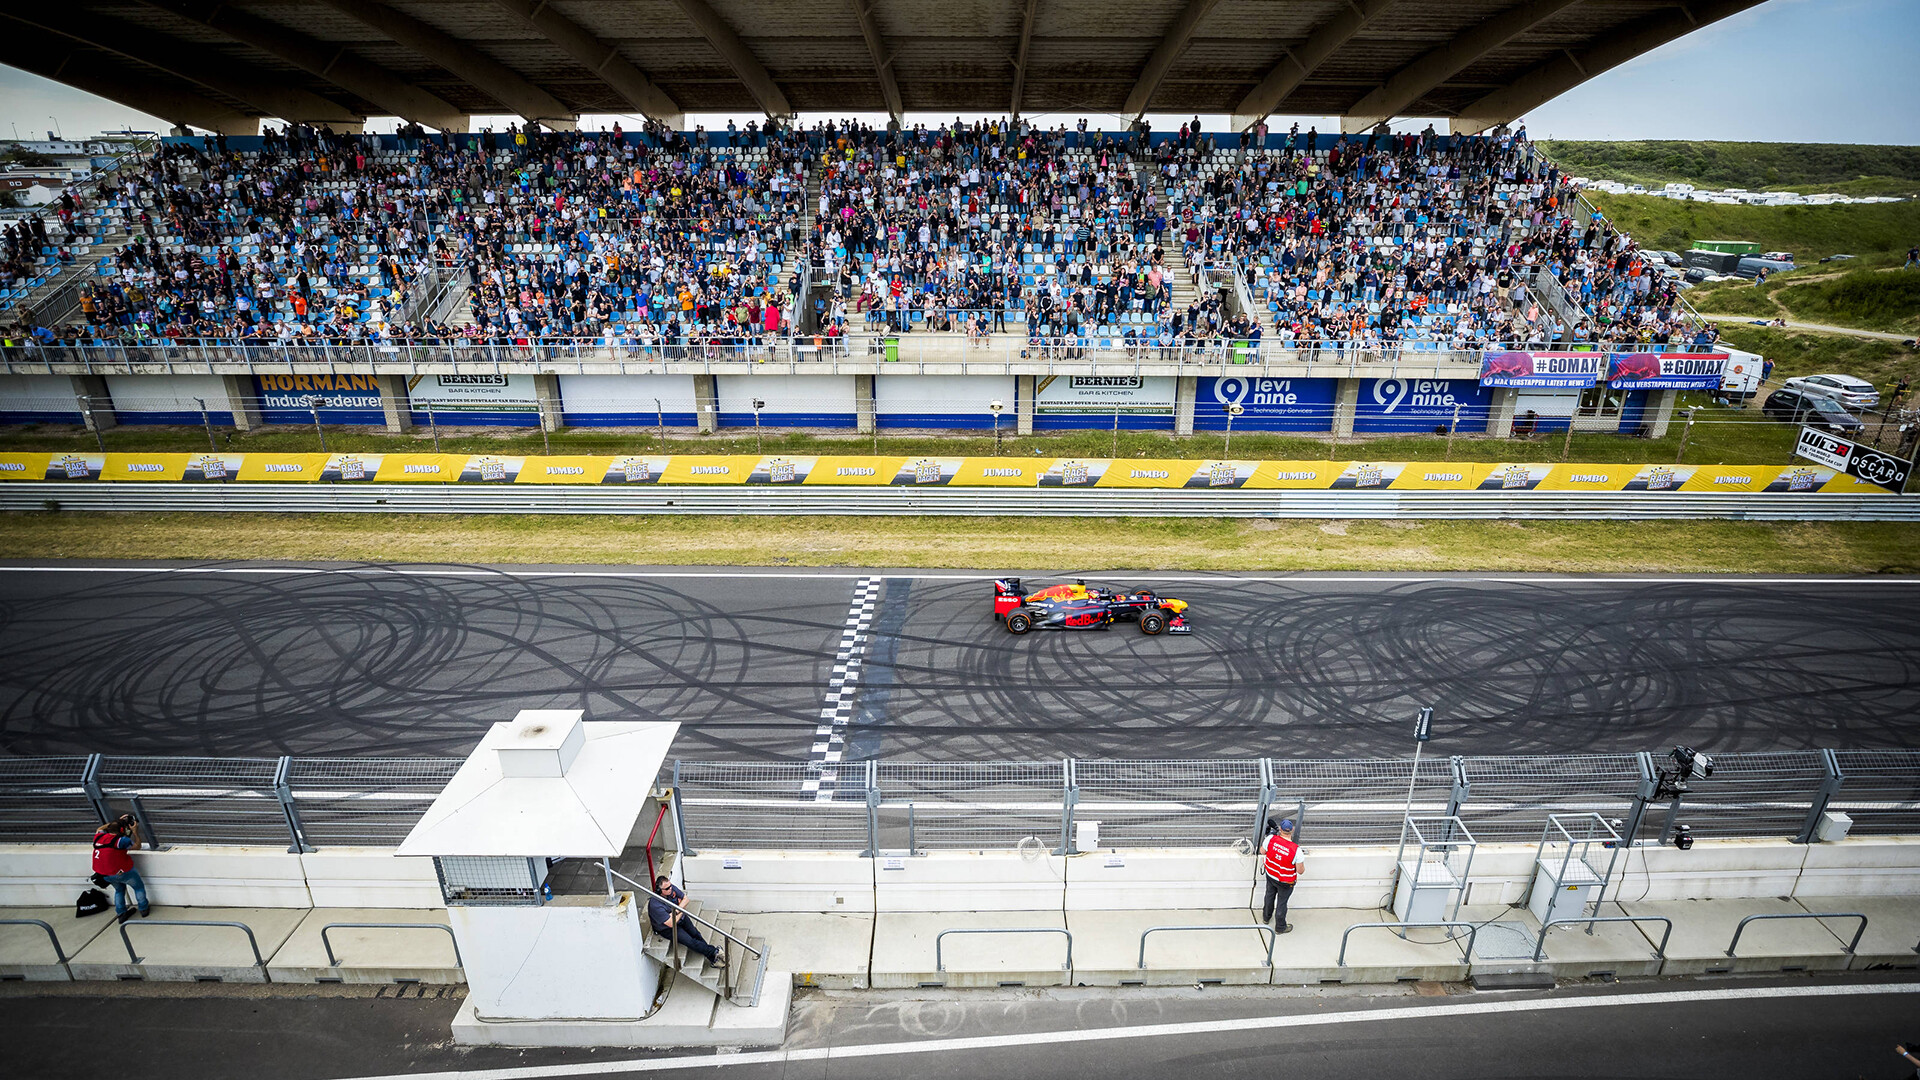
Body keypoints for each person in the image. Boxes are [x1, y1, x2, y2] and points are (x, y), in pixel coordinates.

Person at [648, 875, 725, 968]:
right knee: (691, 942)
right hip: (668, 929)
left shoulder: (671, 889)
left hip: (680, 918)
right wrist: (682, 908)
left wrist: (676, 911)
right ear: (660, 891)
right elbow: (671, 923)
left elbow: (686, 899)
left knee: (696, 934)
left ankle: (712, 957)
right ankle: (714, 951)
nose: (671, 889)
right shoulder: (655, 905)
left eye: (670, 886)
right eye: (667, 888)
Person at [92, 814, 149, 923]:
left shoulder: (98, 837)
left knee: (119, 890)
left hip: (105, 874)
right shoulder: (121, 841)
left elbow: (99, 829)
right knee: (138, 888)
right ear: (122, 830)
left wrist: (116, 822)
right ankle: (143, 909)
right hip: (123, 871)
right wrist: (135, 832)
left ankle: (121, 913)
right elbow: (137, 846)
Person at [1261, 817, 1301, 934]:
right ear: (1292, 830)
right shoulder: (1296, 850)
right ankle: (1280, 927)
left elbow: (1262, 851)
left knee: (1269, 896)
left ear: (1280, 829)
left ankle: (1266, 917)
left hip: (1271, 875)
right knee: (1282, 903)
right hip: (1285, 881)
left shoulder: (1271, 839)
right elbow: (1300, 870)